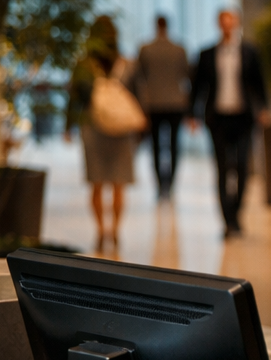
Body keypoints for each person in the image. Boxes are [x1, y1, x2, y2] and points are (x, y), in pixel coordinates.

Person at [190, 8, 268, 237]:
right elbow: (198, 87)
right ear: (218, 24)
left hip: (243, 118)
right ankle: (227, 221)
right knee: (223, 169)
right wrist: (192, 115)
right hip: (218, 118)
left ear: (237, 24)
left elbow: (259, 83)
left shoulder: (250, 52)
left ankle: (237, 213)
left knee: (242, 167)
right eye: (223, 21)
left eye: (231, 21)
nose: (227, 25)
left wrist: (263, 108)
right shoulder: (206, 54)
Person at [66, 16, 135, 250]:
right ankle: (115, 229)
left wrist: (68, 125)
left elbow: (73, 97)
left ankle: (100, 230)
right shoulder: (125, 63)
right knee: (118, 182)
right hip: (120, 128)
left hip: (92, 125)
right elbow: (135, 95)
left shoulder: (84, 65)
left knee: (96, 182)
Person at [133, 14, 191, 199]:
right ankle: (171, 182)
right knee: (174, 144)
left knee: (156, 146)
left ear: (155, 26)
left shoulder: (146, 49)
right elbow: (186, 74)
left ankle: (160, 183)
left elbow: (139, 76)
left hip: (153, 103)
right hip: (175, 102)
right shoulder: (179, 49)